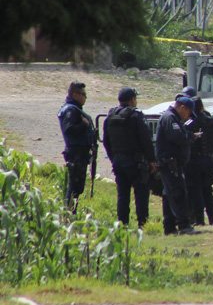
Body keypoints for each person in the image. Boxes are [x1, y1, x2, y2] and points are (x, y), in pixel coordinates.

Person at [102, 87, 157, 228]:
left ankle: (123, 225)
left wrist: (113, 157)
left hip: (118, 161)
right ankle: (143, 224)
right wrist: (152, 160)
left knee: (123, 194)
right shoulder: (136, 115)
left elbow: (106, 140)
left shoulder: (111, 115)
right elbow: (146, 140)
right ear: (132, 100)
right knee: (141, 194)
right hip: (136, 162)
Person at [156, 96, 200, 235]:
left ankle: (169, 227)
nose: (188, 117)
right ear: (182, 108)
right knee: (178, 193)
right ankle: (183, 226)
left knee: (169, 195)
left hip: (173, 163)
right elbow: (176, 136)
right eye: (188, 113)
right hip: (170, 163)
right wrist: (191, 137)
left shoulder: (174, 118)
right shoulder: (170, 118)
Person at [185, 96, 213, 226]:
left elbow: (186, 141)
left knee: (197, 191)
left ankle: (199, 220)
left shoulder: (191, 123)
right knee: (208, 191)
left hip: (195, 161)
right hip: (209, 160)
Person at [58, 81, 95, 213]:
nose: (86, 97)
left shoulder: (75, 109)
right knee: (74, 186)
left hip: (81, 153)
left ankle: (71, 212)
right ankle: (69, 214)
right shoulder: (71, 110)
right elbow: (69, 129)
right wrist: (84, 125)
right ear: (75, 95)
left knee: (78, 187)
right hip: (76, 153)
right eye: (83, 94)